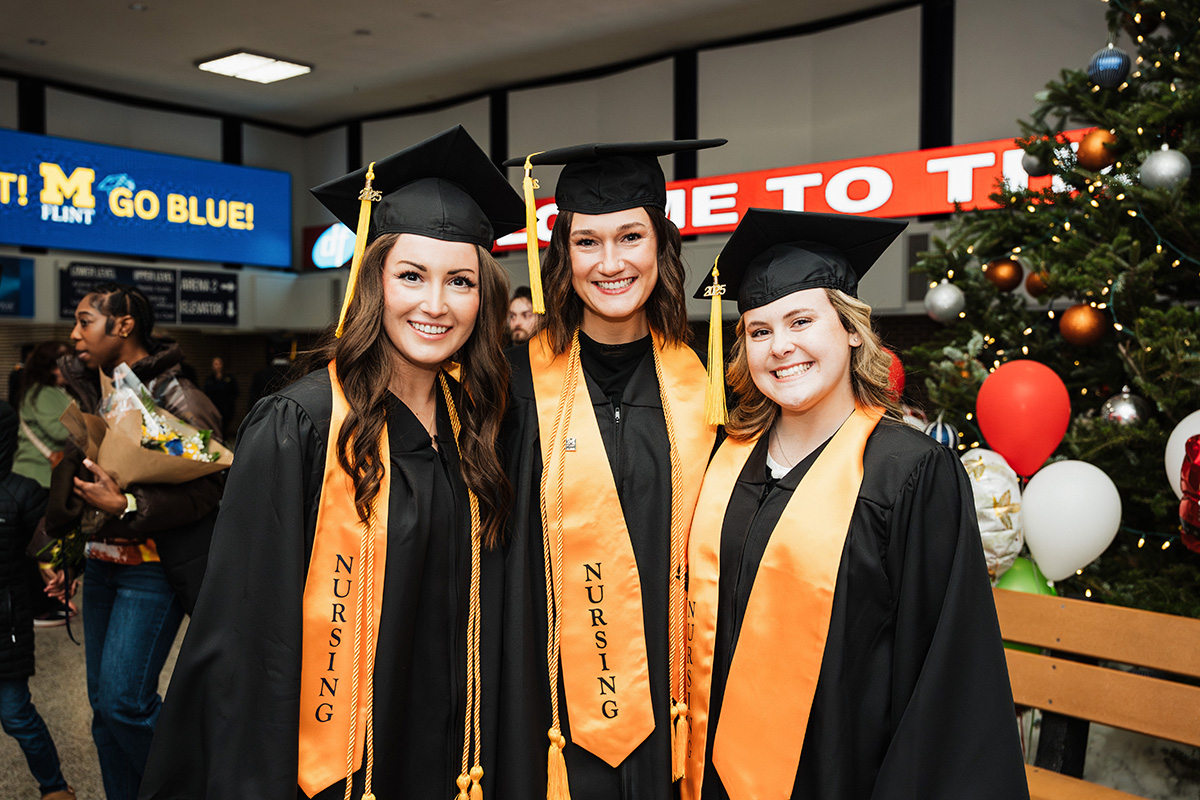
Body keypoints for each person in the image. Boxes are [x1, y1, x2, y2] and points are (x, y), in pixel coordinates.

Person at [139, 125, 525, 800]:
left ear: (482, 296)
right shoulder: (302, 424)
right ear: (374, 282)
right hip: (327, 765)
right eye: (411, 275)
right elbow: (246, 633)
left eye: (459, 281)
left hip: (447, 755)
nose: (435, 304)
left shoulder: (478, 425)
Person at [682, 209, 1029, 800]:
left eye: (800, 320)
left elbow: (945, 666)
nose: (780, 347)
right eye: (759, 331)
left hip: (845, 774)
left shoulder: (909, 472)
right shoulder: (727, 459)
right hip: (712, 773)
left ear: (848, 327)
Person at [497, 139, 725, 800]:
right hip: (547, 708)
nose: (611, 262)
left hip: (674, 693)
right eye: (588, 242)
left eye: (630, 236)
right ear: (563, 255)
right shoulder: (513, 390)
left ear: (661, 245)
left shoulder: (707, 390)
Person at [55, 282, 225, 800]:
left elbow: (211, 482)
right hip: (103, 564)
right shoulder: (96, 390)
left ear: (123, 325)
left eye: (85, 321)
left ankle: (202, 787)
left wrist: (129, 506)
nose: (74, 333)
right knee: (105, 714)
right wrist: (60, 551)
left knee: (126, 703)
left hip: (151, 567)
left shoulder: (177, 397)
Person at [0, 399, 75, 800]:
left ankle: (55, 788)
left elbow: (48, 545)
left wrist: (57, 571)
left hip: (6, 628)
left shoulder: (21, 493)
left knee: (15, 715)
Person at [11, 341, 75, 627]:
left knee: (40, 543)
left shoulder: (43, 391)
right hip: (39, 476)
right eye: (65, 361)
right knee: (40, 545)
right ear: (51, 366)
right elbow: (60, 431)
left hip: (37, 475)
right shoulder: (46, 393)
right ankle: (40, 605)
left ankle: (46, 600)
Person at [202, 356, 238, 440]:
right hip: (214, 408)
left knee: (225, 426)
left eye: (218, 364)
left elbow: (235, 391)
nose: (217, 366)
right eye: (215, 364)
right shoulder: (209, 379)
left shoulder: (229, 378)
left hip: (226, 408)